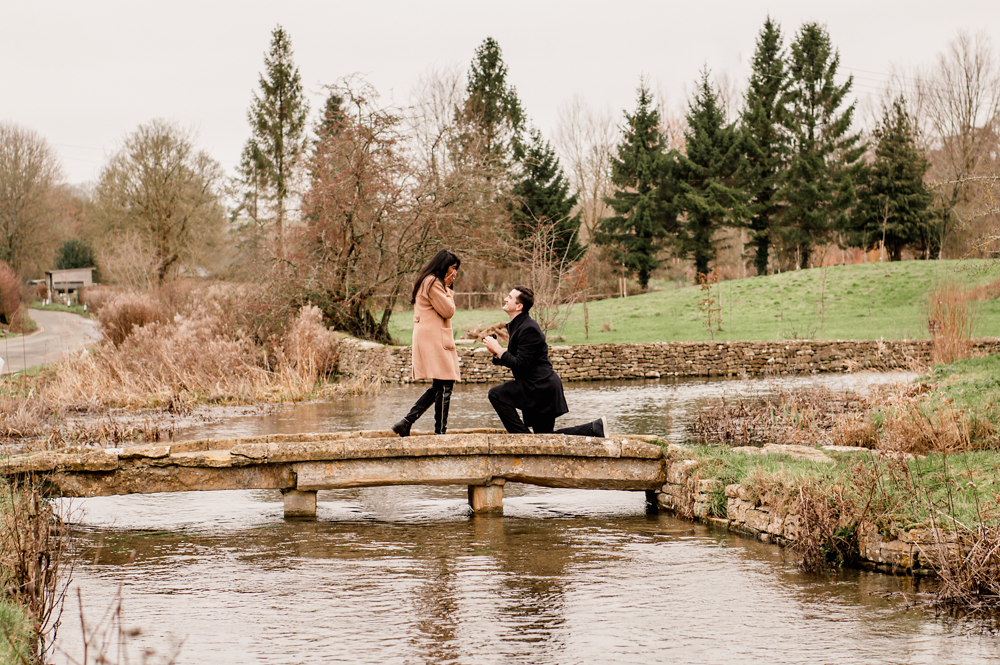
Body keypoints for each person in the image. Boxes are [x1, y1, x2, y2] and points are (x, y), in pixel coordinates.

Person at [483, 285, 608, 437]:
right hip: (539, 387)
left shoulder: (528, 328)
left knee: (495, 394)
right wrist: (497, 353)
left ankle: (524, 439)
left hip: (540, 388)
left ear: (519, 306)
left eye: (509, 297)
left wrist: (500, 350)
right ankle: (594, 429)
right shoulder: (520, 326)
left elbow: (521, 363)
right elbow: (520, 360)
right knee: (545, 436)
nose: (505, 299)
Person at [391, 250, 461, 436]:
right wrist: (448, 288)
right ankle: (439, 433)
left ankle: (407, 422)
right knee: (446, 382)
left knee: (441, 384)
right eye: (453, 268)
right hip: (433, 337)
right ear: (444, 265)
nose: (455, 273)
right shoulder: (433, 282)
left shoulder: (429, 280)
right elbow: (448, 311)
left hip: (431, 335)